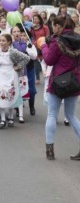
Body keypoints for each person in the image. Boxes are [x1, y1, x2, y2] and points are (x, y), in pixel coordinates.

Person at [39, 16, 80, 160]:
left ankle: (49, 151)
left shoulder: (57, 42)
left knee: (51, 114)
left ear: (58, 26)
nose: (52, 29)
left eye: (53, 26)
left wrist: (44, 46)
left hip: (58, 81)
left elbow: (49, 60)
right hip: (75, 81)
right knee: (71, 116)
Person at [0, 34, 30, 129]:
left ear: (9, 42)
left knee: (10, 95)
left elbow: (26, 58)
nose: (1, 42)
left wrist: (18, 67)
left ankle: (10, 117)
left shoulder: (13, 52)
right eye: (0, 40)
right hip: (0, 74)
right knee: (0, 96)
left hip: (11, 74)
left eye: (3, 40)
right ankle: (2, 119)